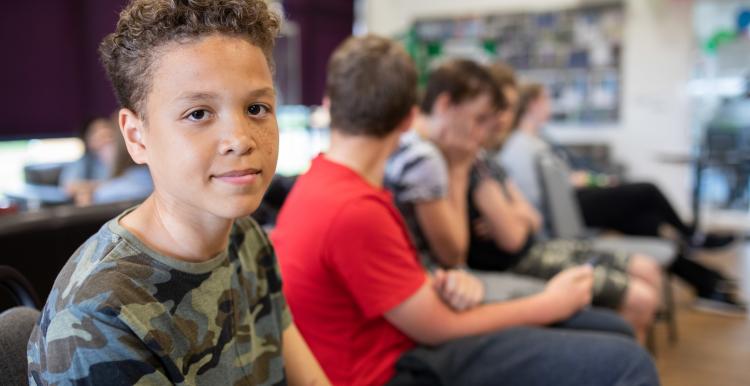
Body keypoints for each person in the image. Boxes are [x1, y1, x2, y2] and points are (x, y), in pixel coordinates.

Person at [272, 35, 659, 386]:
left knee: (610, 330)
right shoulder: (353, 208)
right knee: (628, 362)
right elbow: (436, 325)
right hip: (392, 368)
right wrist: (549, 303)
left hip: (401, 345)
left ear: (327, 104)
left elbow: (418, 285)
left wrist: (451, 282)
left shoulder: (322, 183)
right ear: (410, 118)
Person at [27, 1, 330, 385]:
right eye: (198, 114)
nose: (240, 139)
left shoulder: (246, 237)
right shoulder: (100, 318)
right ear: (137, 137)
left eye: (256, 108)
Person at [384, 59, 660, 341]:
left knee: (643, 272)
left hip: (518, 254)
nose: (501, 120)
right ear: (445, 105)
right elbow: (469, 249)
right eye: (485, 116)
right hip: (503, 264)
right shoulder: (440, 158)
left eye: (507, 110)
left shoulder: (467, 157)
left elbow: (531, 219)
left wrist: (513, 214)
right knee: (636, 299)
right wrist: (461, 172)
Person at [500, 81, 746, 315]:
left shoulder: (541, 139)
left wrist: (595, 180)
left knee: (646, 224)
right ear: (532, 104)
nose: (549, 105)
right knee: (647, 190)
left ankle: (705, 282)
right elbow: (544, 200)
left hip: (576, 201)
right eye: (545, 99)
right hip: (571, 211)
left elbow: (564, 178)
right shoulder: (521, 147)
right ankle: (692, 235)